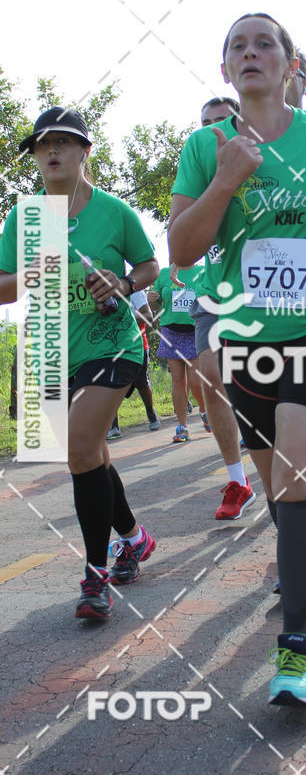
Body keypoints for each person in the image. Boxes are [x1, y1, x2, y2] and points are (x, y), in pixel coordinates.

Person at [168, 12, 306, 707]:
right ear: (225, 70)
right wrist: (226, 181)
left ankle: (296, 654)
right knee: (279, 491)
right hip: (247, 347)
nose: (251, 52)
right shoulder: (206, 147)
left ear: (292, 65)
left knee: (294, 481)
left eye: (266, 43)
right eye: (238, 46)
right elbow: (179, 248)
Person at [0, 107, 159, 619]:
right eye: (42, 145)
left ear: (85, 151)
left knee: (76, 446)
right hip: (52, 345)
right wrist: (36, 272)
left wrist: (125, 283)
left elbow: (150, 265)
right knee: (88, 452)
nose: (50, 151)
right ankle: (133, 538)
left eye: (63, 142)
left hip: (113, 342)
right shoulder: (24, 218)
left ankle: (95, 578)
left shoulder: (114, 211)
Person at [187, 95, 254, 520]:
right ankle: (237, 479)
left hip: (260, 298)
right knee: (211, 378)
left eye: (223, 121)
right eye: (205, 123)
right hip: (212, 297)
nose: (214, 131)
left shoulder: (261, 171)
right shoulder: (195, 179)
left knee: (260, 388)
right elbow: (184, 244)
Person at [147, 263, 210, 442]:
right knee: (178, 381)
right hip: (171, 331)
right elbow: (158, 305)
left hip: (195, 330)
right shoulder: (165, 274)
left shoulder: (202, 271)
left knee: (196, 381)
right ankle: (182, 427)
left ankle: (204, 411)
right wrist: (152, 299)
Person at [106, 289, 160, 438]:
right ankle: (113, 425)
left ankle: (150, 412)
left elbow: (148, 316)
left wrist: (129, 317)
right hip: (110, 346)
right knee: (110, 384)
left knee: (141, 383)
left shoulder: (134, 290)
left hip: (136, 345)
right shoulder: (102, 290)